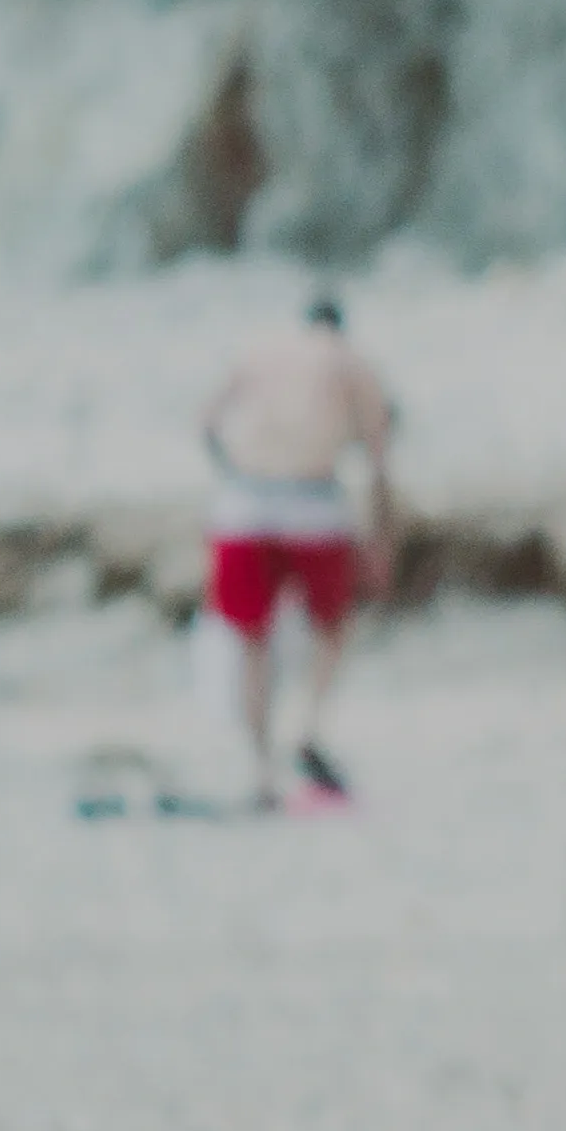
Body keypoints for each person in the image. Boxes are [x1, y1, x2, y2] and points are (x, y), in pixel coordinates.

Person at [193, 289, 401, 808]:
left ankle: (261, 770)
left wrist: (236, 477)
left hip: (243, 502)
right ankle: (306, 729)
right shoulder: (350, 362)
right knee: (332, 628)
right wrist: (381, 539)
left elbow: (206, 424)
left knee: (252, 641)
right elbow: (379, 463)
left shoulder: (259, 351)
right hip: (313, 502)